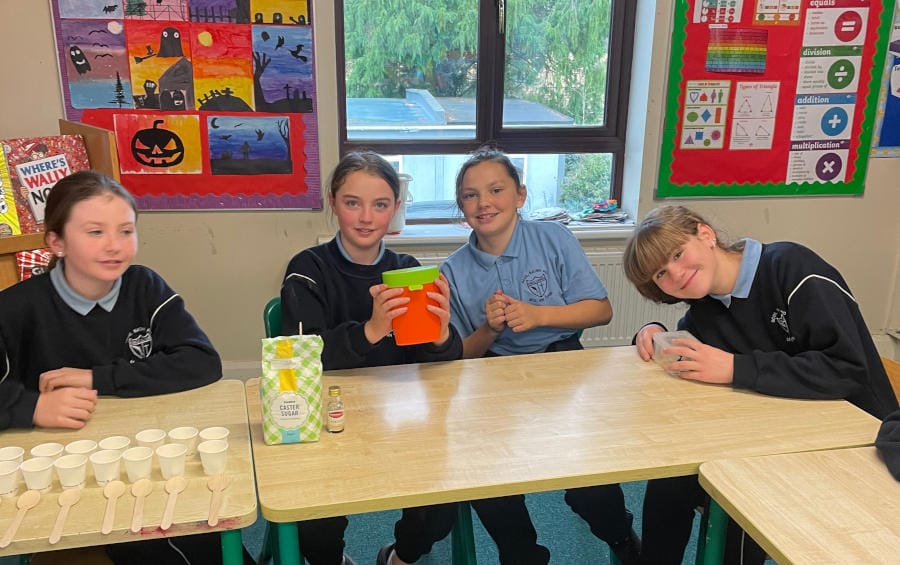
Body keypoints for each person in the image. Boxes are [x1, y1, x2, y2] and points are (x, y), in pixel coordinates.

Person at [622, 204, 900, 565]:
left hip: (858, 441)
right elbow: (694, 349)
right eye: (661, 273)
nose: (675, 273)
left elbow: (848, 370)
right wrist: (652, 331)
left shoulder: (792, 268)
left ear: (705, 234)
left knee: (741, 498)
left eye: (677, 254)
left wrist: (735, 368)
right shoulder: (707, 306)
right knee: (669, 481)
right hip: (784, 431)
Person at [0, 170, 251, 564]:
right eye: (94, 232)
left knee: (206, 528)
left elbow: (201, 361)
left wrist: (97, 377)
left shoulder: (144, 286)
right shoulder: (16, 308)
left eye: (126, 231)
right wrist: (31, 407)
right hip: (60, 482)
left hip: (146, 462)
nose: (114, 245)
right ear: (57, 242)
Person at [440, 147, 641, 564]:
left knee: (590, 480)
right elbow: (460, 356)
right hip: (492, 375)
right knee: (489, 478)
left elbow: (601, 310)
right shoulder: (453, 270)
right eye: (470, 195)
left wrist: (539, 315)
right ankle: (522, 554)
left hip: (562, 362)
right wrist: (489, 329)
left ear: (520, 195)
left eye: (496, 190)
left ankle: (620, 535)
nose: (484, 203)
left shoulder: (554, 238)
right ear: (461, 206)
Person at [280, 151, 463, 565]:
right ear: (333, 202)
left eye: (380, 204)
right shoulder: (307, 270)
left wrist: (440, 336)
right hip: (328, 419)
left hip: (402, 417)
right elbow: (299, 360)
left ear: (395, 208)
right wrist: (371, 330)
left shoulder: (407, 269)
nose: (366, 217)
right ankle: (333, 560)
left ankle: (398, 558)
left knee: (444, 495)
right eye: (352, 203)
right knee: (312, 514)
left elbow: (441, 367)